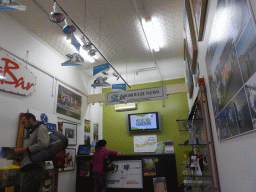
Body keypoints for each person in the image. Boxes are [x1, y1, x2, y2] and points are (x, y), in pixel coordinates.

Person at [14, 113, 50, 192]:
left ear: (30, 119)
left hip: (34, 170)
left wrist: (23, 150)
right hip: (30, 170)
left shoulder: (41, 128)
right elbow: (33, 150)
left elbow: (44, 144)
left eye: (24, 122)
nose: (23, 125)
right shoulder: (35, 131)